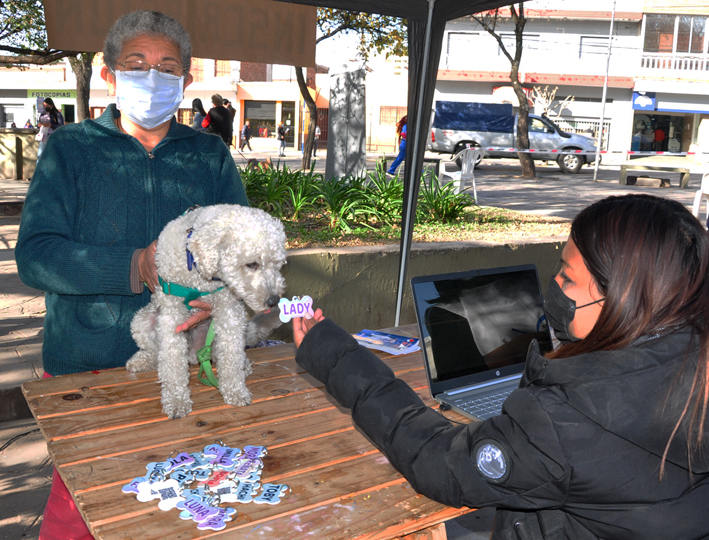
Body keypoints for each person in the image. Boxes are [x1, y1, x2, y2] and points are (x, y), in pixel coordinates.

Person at [292, 194, 709, 540]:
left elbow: (438, 463)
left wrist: (334, 355)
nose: (556, 287)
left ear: (620, 300)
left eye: (565, 278)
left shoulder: (566, 425)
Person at [15, 11, 248, 540]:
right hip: (86, 369)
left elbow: (240, 247)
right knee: (79, 506)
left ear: (186, 81)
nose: (152, 77)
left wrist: (224, 297)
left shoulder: (207, 154)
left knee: (179, 506)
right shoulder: (71, 149)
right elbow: (36, 255)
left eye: (168, 67)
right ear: (108, 75)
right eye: (135, 64)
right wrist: (133, 265)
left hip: (187, 364)